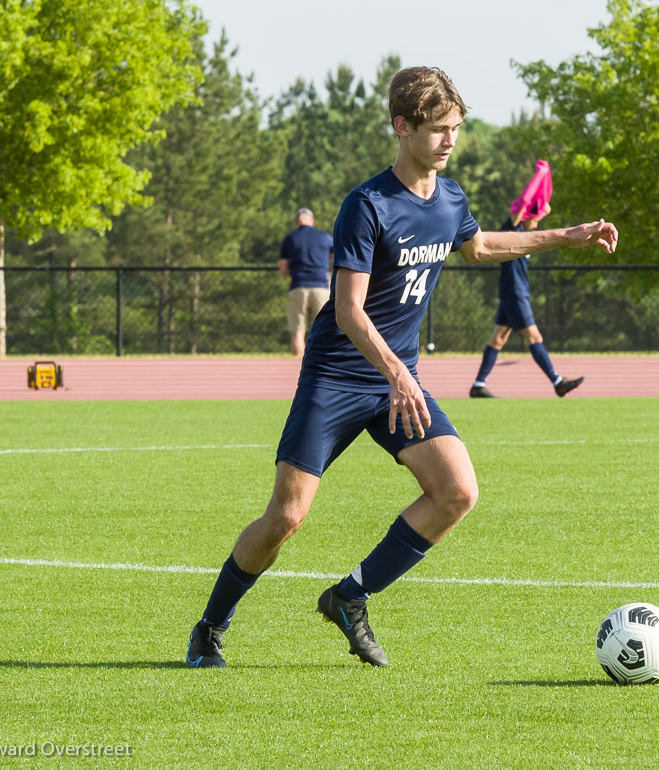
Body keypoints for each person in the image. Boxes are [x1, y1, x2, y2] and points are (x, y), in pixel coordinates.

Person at [185, 66, 618, 669]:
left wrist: (564, 236)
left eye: (456, 129)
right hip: (340, 376)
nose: (450, 140)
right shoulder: (366, 205)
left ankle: (350, 597)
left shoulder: (450, 198)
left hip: (396, 381)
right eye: (439, 129)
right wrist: (396, 371)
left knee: (456, 491)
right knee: (287, 516)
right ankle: (211, 626)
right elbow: (348, 309)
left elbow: (482, 246)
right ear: (401, 126)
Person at [469, 161, 584, 399]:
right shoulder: (512, 228)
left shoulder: (527, 231)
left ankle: (478, 384)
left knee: (498, 338)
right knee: (535, 337)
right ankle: (557, 381)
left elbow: (547, 207)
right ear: (526, 216)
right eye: (536, 217)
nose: (539, 220)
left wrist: (546, 178)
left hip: (512, 291)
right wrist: (539, 175)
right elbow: (522, 205)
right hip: (515, 292)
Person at [279, 208, 334, 357]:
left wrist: (297, 272)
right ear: (312, 220)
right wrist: (328, 269)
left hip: (298, 287)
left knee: (298, 332)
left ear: (297, 222)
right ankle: (324, 366)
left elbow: (283, 269)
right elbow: (340, 259)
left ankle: (299, 369)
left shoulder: (290, 239)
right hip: (321, 288)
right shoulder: (325, 237)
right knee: (324, 331)